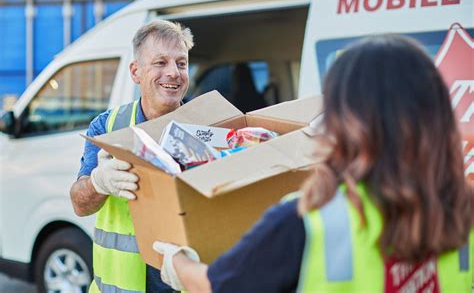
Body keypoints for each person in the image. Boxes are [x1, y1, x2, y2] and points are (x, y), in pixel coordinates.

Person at [152, 35, 474, 292]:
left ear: (344, 121)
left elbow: (214, 286)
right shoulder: (463, 210)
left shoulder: (307, 220)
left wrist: (178, 262)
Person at [70, 19, 194, 292]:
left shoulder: (207, 128)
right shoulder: (107, 127)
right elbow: (80, 205)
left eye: (181, 63)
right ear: (136, 72)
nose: (173, 72)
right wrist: (97, 182)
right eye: (160, 63)